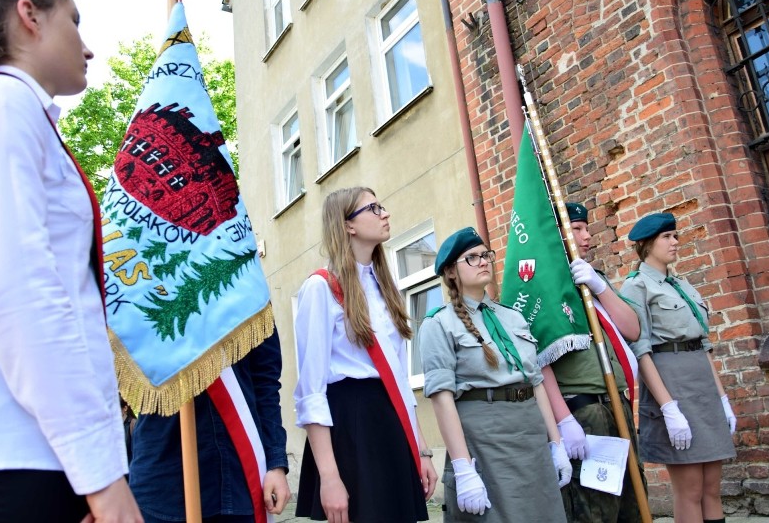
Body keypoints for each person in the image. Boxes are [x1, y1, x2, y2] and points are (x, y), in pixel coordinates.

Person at [0, 0, 142, 522]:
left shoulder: (15, 112)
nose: (88, 47)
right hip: (6, 450)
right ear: (29, 15)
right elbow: (23, 293)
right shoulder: (0, 104)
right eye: (74, 21)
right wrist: (103, 482)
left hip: (37, 452)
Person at [294, 187, 437, 523]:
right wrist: (329, 477)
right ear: (348, 225)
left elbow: (400, 380)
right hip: (351, 426)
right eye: (373, 208)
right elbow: (311, 392)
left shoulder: (384, 286)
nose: (384, 213)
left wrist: (423, 449)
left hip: (391, 421)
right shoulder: (320, 288)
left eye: (381, 206)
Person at [420, 227, 571, 522]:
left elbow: (536, 382)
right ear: (451, 272)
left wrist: (556, 443)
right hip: (486, 438)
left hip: (530, 432)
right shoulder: (439, 324)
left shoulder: (512, 316)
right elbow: (441, 398)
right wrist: (463, 468)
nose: (483, 261)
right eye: (472, 258)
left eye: (485, 255)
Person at [620, 213, 736, 523]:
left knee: (712, 487)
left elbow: (703, 344)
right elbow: (640, 350)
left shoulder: (680, 284)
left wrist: (722, 399)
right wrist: (669, 408)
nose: (675, 241)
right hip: (672, 388)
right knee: (690, 489)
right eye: (667, 237)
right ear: (646, 245)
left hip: (702, 387)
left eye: (675, 235)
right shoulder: (636, 286)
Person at [539, 202, 645, 522]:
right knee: (595, 509)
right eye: (577, 229)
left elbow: (632, 329)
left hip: (619, 405)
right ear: (557, 235)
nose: (587, 236)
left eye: (586, 228)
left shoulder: (594, 278)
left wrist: (599, 288)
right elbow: (538, 362)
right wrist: (562, 421)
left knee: (633, 502)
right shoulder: (545, 288)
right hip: (584, 413)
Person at [128, 328, 291, 523]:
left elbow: (265, 381)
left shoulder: (249, 297)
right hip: (162, 477)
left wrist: (275, 464)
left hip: (238, 475)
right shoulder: (134, 297)